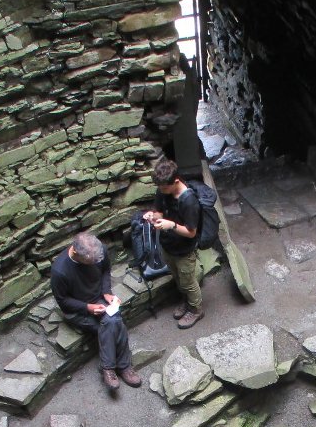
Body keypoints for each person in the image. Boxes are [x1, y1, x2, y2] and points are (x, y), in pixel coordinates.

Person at [51, 231, 142, 391]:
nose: (95, 263)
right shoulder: (60, 270)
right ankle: (123, 366)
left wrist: (107, 292)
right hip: (77, 309)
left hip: (99, 299)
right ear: (76, 253)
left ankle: (109, 369)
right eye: (90, 262)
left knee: (112, 320)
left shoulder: (98, 251)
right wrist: (88, 308)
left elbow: (106, 270)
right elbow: (63, 302)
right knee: (113, 322)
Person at [143, 158, 203, 329]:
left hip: (184, 250)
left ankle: (196, 309)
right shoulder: (163, 190)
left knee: (188, 282)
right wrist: (152, 216)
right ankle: (186, 301)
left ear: (176, 181)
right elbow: (159, 212)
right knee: (178, 278)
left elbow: (191, 233)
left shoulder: (189, 202)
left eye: (164, 188)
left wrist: (172, 225)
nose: (161, 191)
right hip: (168, 245)